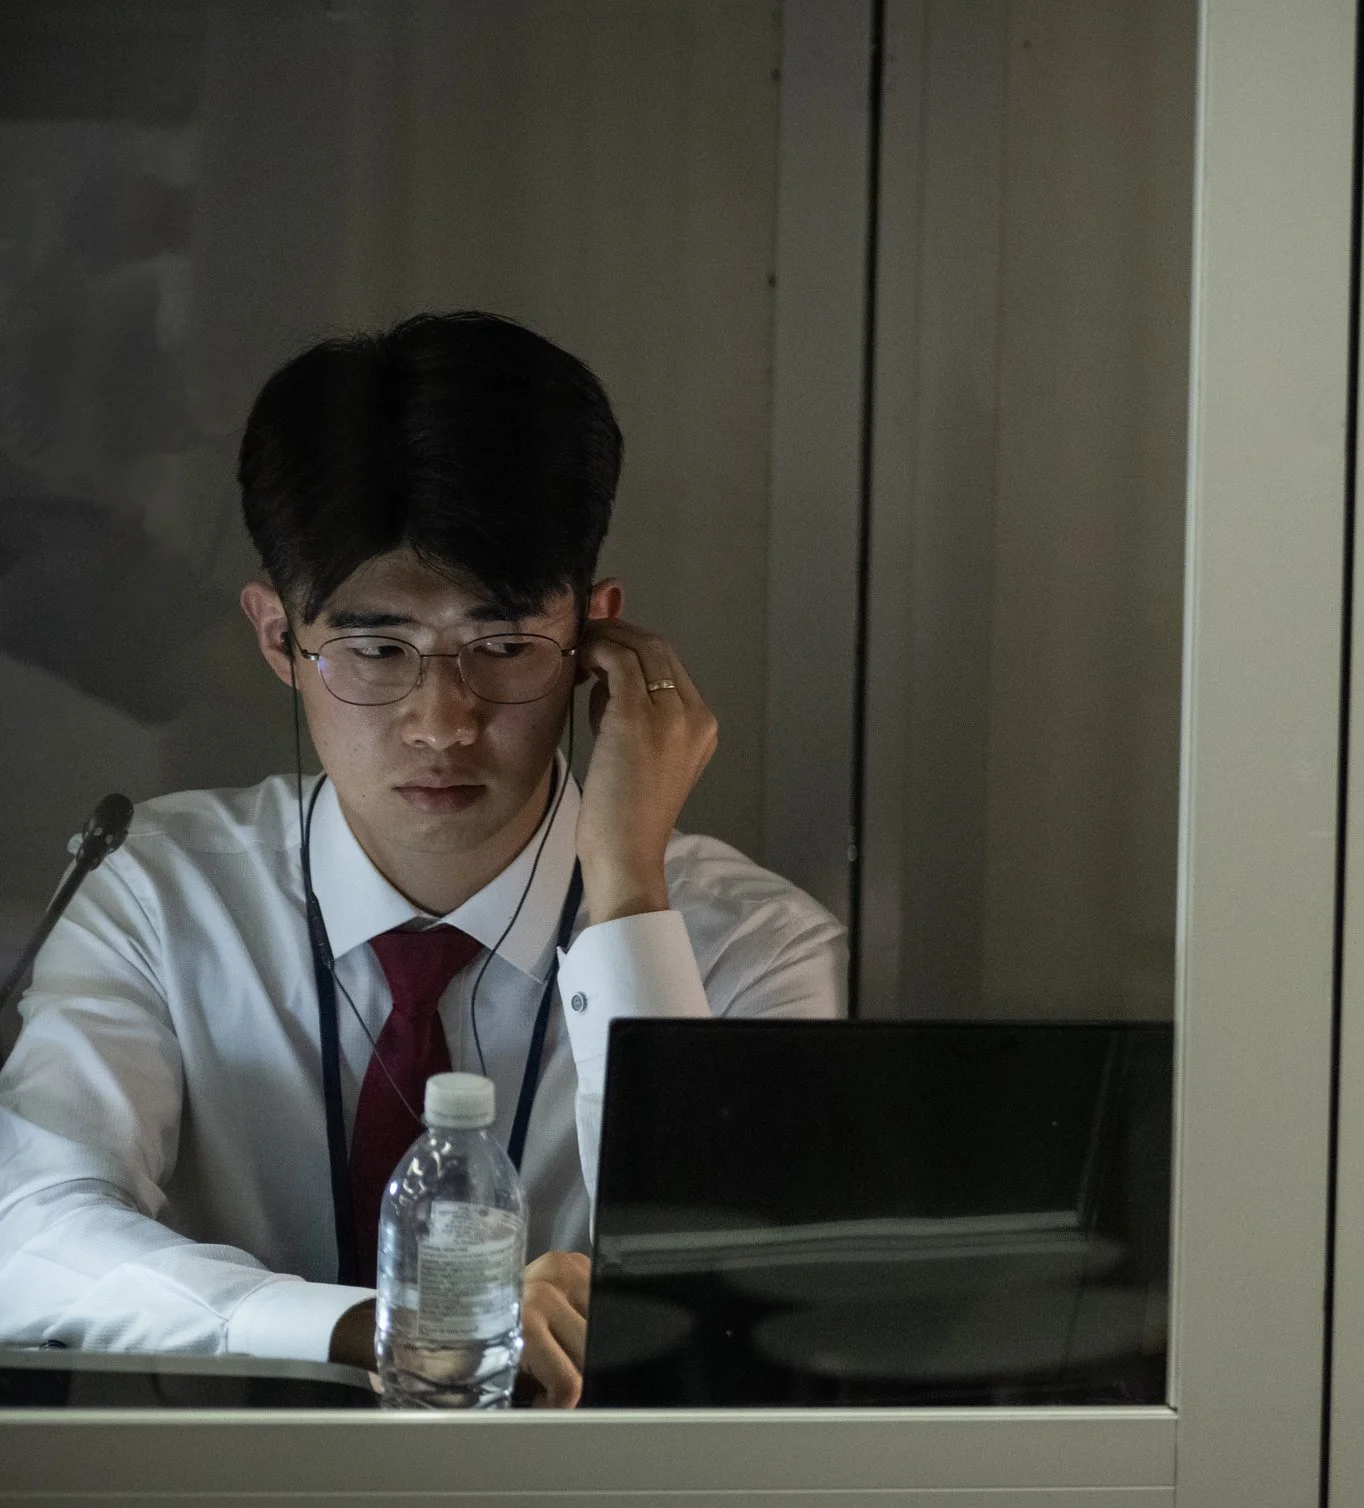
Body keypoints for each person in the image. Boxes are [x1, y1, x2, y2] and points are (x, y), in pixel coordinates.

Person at [0, 312, 843, 1405]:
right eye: (374, 649)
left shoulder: (753, 944)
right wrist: (378, 1327)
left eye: (500, 647)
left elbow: (737, 1304)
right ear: (276, 640)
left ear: (597, 635)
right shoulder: (162, 893)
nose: (441, 721)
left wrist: (630, 888)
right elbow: (31, 1233)